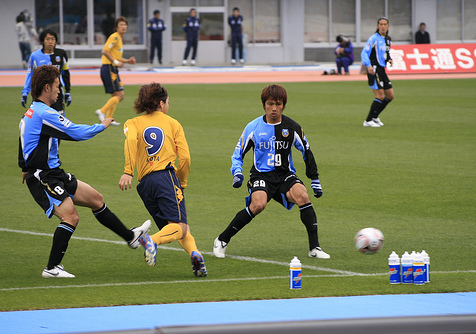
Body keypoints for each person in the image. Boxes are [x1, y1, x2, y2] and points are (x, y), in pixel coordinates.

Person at [18, 65, 151, 278]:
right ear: (46, 87)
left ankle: (131, 237)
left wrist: (23, 167)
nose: (59, 90)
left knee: (96, 199)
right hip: (43, 177)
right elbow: (75, 132)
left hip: (54, 173)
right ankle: (52, 268)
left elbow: (24, 140)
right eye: (56, 86)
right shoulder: (44, 113)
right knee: (71, 217)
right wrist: (102, 125)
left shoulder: (31, 112)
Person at [213, 84, 330, 260]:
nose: (274, 108)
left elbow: (306, 150)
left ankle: (314, 248)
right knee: (258, 205)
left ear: (284, 105)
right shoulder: (253, 127)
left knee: (303, 196)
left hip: (285, 175)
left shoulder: (292, 127)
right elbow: (237, 154)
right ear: (263, 105)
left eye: (278, 103)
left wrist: (314, 178)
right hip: (261, 175)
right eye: (269, 104)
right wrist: (237, 173)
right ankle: (222, 240)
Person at [118, 83, 207, 277]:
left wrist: (128, 171)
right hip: (166, 178)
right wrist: (181, 182)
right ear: (161, 103)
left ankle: (196, 255)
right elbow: (185, 158)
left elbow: (131, 141)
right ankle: (151, 241)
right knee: (178, 226)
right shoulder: (173, 123)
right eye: (167, 102)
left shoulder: (132, 123)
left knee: (176, 227)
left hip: (145, 185)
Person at [95, 16, 136, 126]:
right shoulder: (115, 37)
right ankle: (102, 111)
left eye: (125, 25)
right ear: (116, 28)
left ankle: (108, 119)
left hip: (112, 68)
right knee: (119, 95)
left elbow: (116, 56)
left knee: (119, 95)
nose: (123, 27)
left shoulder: (119, 39)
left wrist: (128, 61)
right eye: (121, 25)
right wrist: (116, 62)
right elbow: (104, 51)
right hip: (109, 68)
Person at [21, 29, 71, 115]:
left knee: (59, 118)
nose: (50, 42)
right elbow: (30, 74)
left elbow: (66, 73)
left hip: (56, 92)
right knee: (40, 118)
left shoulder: (61, 54)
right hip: (40, 93)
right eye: (47, 39)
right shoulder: (35, 56)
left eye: (53, 39)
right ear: (43, 41)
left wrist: (67, 91)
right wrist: (25, 92)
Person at [360, 17, 394, 128]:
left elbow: (386, 53)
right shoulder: (373, 38)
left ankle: (375, 116)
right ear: (377, 26)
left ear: (388, 26)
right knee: (380, 96)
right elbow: (364, 53)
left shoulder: (388, 39)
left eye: (385, 24)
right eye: (381, 24)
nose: (383, 26)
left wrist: (389, 59)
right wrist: (368, 65)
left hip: (382, 70)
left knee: (390, 96)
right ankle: (368, 120)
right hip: (374, 69)